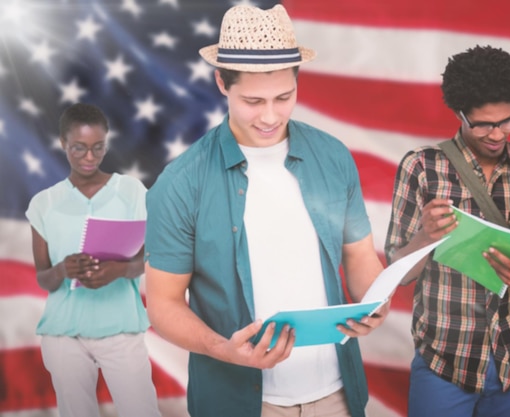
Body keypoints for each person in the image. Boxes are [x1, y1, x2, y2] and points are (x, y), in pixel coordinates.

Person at [143, 4, 387, 417]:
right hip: (239, 402)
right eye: (253, 101)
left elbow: (360, 256)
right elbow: (163, 302)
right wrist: (225, 350)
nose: (271, 116)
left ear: (297, 81)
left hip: (338, 397)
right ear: (222, 82)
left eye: (284, 97)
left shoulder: (333, 156)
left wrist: (375, 303)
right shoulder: (181, 181)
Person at [384, 45, 510, 417]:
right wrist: (424, 238)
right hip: (445, 362)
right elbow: (396, 273)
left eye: (507, 121)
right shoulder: (421, 167)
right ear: (459, 113)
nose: (498, 134)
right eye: (483, 123)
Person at [24, 103, 161, 417]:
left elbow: (152, 255)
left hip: (120, 329)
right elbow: (43, 277)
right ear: (63, 143)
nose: (89, 157)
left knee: (141, 411)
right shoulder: (44, 203)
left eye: (98, 148)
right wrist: (62, 269)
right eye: (79, 148)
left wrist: (120, 269)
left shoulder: (132, 191)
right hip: (63, 334)